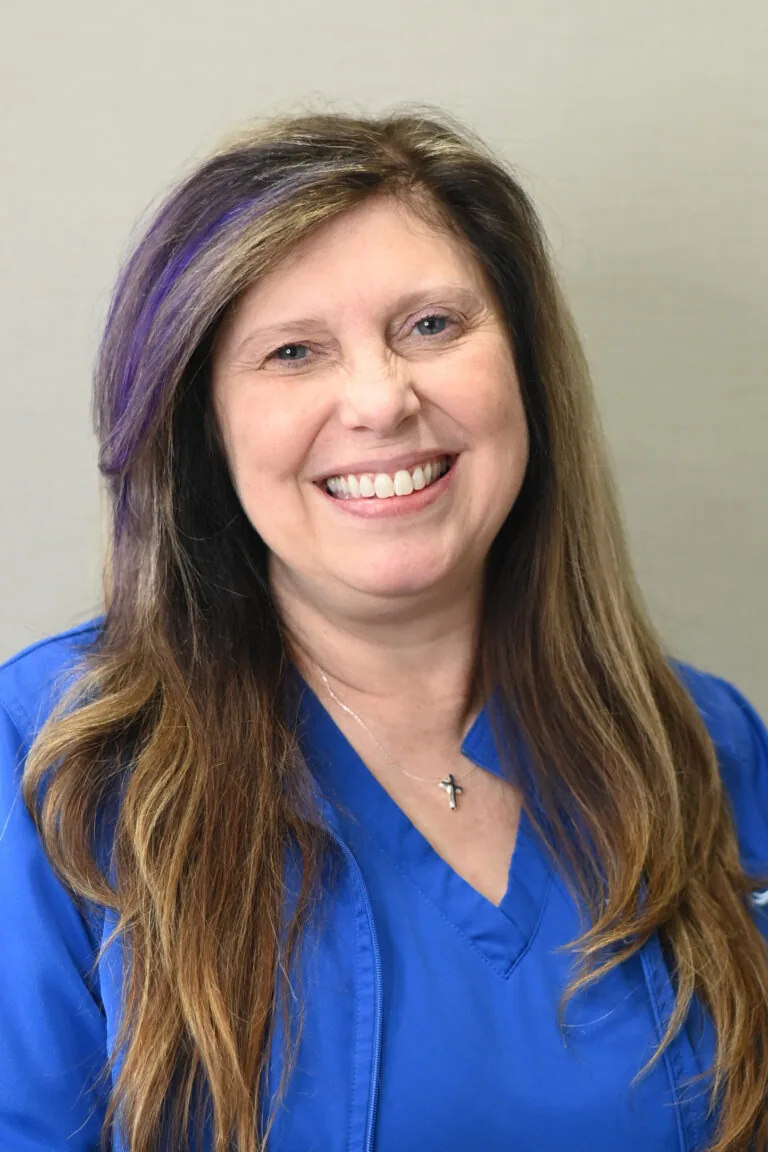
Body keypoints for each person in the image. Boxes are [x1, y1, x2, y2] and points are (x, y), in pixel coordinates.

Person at [0, 107, 766, 1152]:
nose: (379, 399)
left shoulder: (707, 746)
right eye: (294, 351)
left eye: (433, 327)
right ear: (205, 429)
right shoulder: (49, 759)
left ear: (527, 372)